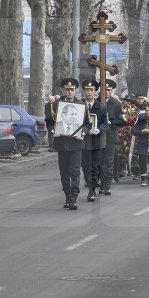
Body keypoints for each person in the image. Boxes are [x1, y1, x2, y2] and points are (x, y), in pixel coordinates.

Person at [46, 78, 85, 210]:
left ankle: (73, 197)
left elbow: (87, 123)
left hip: (76, 143)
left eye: (72, 90)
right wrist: (53, 130)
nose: (70, 92)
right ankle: (67, 195)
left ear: (75, 91)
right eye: (67, 90)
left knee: (74, 171)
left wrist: (83, 132)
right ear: (64, 90)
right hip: (61, 143)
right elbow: (49, 120)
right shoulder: (56, 104)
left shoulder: (81, 105)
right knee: (64, 172)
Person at [80, 79, 109, 202]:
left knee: (94, 166)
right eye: (87, 90)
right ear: (83, 92)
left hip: (96, 141)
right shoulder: (79, 105)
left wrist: (100, 129)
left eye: (91, 90)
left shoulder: (101, 107)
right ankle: (89, 182)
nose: (89, 93)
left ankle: (92, 191)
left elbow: (106, 124)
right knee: (85, 166)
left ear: (95, 92)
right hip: (83, 140)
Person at [100, 79, 126, 196]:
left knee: (109, 161)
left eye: (109, 90)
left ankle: (107, 185)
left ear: (112, 91)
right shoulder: (96, 102)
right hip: (98, 135)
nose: (107, 92)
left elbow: (122, 121)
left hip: (110, 135)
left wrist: (111, 122)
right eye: (105, 90)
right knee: (99, 161)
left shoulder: (116, 104)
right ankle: (101, 183)